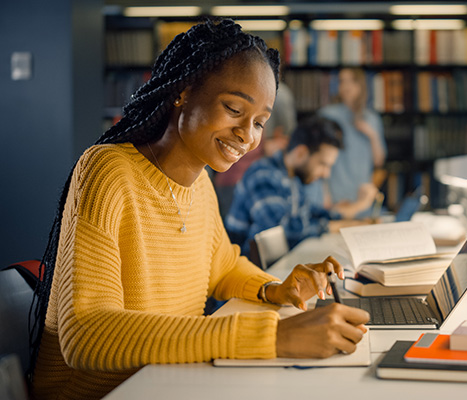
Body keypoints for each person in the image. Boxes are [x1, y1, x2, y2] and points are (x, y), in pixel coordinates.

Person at [28, 19, 369, 400]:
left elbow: (222, 267)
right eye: (234, 108)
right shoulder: (108, 172)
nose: (247, 135)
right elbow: (86, 336)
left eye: (259, 122)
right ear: (183, 92)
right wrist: (271, 336)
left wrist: (275, 289)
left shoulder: (200, 183)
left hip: (167, 381)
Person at [226, 116, 362, 256]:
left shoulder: (292, 178)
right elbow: (280, 230)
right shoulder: (263, 175)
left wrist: (346, 219)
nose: (326, 174)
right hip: (248, 270)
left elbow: (309, 213)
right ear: (301, 152)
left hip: (278, 265)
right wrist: (332, 227)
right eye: (323, 164)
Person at [213, 83, 297, 219]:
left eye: (259, 123)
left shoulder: (276, 96)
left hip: (237, 179)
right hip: (236, 180)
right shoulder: (278, 95)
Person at [318, 67, 387, 217]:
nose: (347, 86)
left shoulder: (371, 119)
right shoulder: (328, 115)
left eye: (351, 81)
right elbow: (318, 159)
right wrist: (324, 193)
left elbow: (379, 161)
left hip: (362, 195)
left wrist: (372, 135)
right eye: (342, 81)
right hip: (336, 194)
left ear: (361, 85)